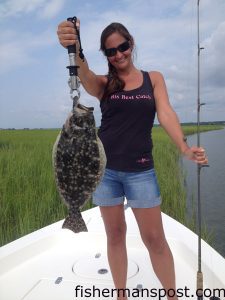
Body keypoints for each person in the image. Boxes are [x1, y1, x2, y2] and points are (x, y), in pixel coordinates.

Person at [57, 18, 208, 300]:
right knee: (115, 236)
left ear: (131, 44)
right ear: (106, 55)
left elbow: (165, 113)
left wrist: (184, 148)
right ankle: (121, 295)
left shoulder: (155, 79)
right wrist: (74, 46)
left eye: (122, 47)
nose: (118, 54)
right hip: (105, 173)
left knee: (155, 240)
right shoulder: (104, 84)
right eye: (111, 52)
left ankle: (172, 296)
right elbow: (85, 74)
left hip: (141, 171)